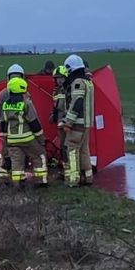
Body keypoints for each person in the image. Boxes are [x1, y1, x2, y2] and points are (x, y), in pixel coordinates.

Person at [0, 76, 47, 187]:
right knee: (39, 156)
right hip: (27, 138)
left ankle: (18, 182)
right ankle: (41, 181)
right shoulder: (26, 103)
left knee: (17, 161)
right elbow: (34, 123)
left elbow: (3, 123)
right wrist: (41, 139)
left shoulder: (5, 105)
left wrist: (6, 139)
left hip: (12, 140)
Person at [59, 54, 95, 187]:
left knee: (72, 149)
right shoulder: (88, 81)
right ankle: (88, 177)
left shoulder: (78, 82)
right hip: (86, 123)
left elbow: (77, 103)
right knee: (84, 150)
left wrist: (68, 122)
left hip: (77, 124)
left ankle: (73, 180)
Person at [0, 64, 26, 183]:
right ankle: (4, 176)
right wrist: (1, 129)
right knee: (6, 152)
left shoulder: (25, 94)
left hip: (20, 129)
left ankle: (17, 175)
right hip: (7, 129)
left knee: (19, 153)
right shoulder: (3, 94)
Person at [49, 65, 70, 178]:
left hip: (67, 122)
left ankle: (69, 169)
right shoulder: (56, 91)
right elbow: (55, 106)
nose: (59, 80)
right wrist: (53, 115)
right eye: (57, 78)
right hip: (59, 122)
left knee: (68, 146)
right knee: (62, 145)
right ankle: (64, 167)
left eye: (61, 78)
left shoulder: (69, 89)